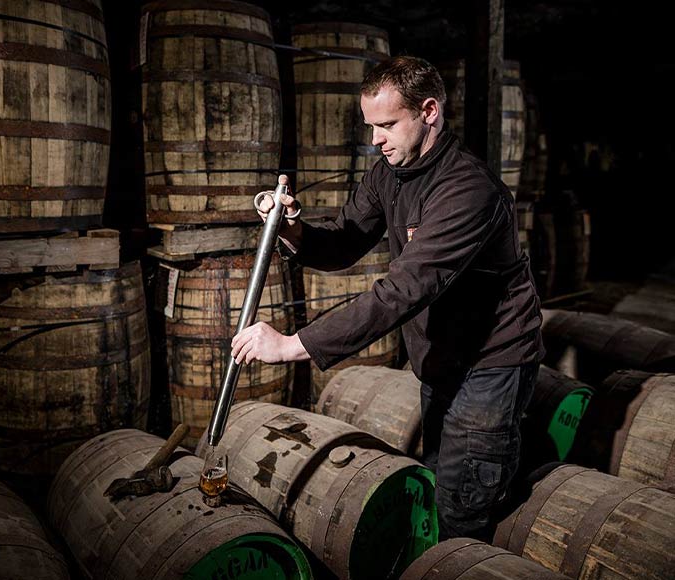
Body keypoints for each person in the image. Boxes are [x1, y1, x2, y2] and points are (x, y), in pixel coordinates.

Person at [231, 55, 544, 541]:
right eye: (369, 126)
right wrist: (291, 227)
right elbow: (342, 242)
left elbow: (405, 289)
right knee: (441, 475)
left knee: (465, 504)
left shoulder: (468, 190)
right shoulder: (388, 174)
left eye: (387, 124)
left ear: (430, 111)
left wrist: (294, 344)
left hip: (490, 362)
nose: (375, 139)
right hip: (439, 357)